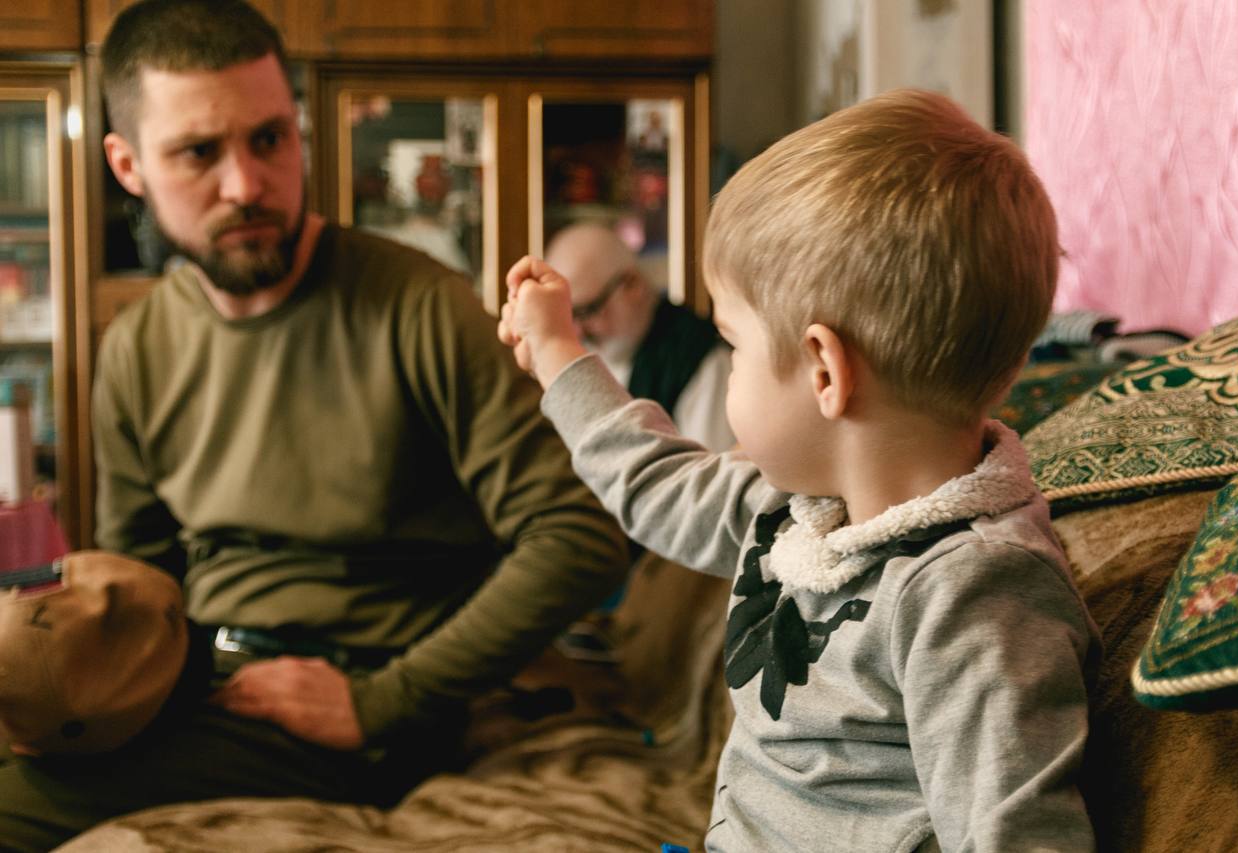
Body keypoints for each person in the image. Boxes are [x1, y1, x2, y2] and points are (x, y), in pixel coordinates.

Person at [0, 1, 628, 849]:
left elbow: (580, 530)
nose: (247, 184)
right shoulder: (139, 343)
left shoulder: (419, 306)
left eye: (270, 139)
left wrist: (384, 699)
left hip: (355, 699)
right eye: (199, 152)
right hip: (188, 684)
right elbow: (140, 572)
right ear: (127, 163)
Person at [499, 89, 1100, 851]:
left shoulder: (973, 595)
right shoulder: (796, 505)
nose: (728, 370)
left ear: (823, 370)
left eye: (735, 344)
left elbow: (1019, 835)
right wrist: (558, 357)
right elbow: (653, 483)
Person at [545, 222, 736, 452]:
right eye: (568, 316)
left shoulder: (700, 358)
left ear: (632, 285)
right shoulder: (590, 350)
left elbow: (706, 476)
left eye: (589, 310)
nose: (577, 331)